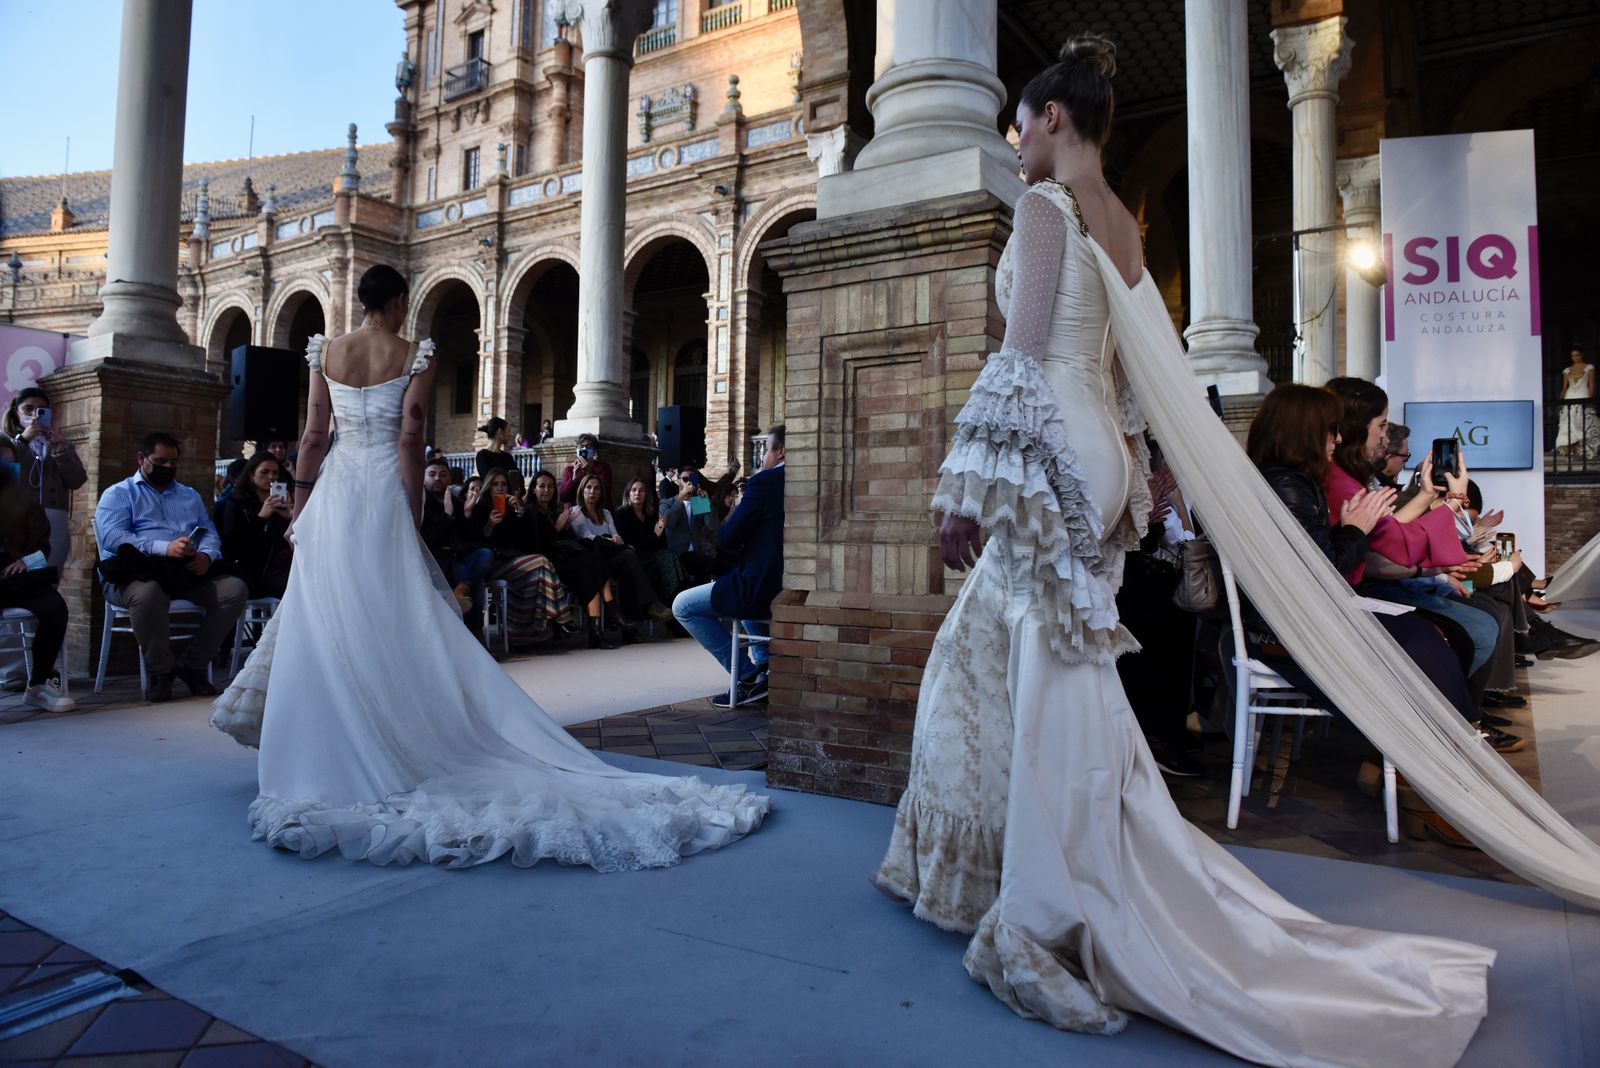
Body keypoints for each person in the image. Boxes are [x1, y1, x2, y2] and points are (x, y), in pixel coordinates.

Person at [871, 38, 1496, 1065]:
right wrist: (1136, 475)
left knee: (1048, 671)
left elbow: (1023, 348)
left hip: (1053, 448)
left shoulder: (1039, 210)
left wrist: (970, 486)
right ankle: (1055, 864)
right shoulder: (1121, 223)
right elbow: (1126, 378)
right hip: (1101, 453)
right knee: (1052, 668)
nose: (1014, 138)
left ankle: (1040, 911)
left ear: (1054, 120)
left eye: (1020, 122)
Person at [209, 263, 768, 869]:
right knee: (394, 613)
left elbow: (313, 437)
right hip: (381, 495)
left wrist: (304, 505)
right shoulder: (412, 355)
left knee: (328, 617)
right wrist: (412, 510)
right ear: (397, 301)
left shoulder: (327, 353)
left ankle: (328, 743)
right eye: (404, 304)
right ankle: (399, 732)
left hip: (336, 493)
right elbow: (407, 441)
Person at [95, 432, 249, 702]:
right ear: (142, 459)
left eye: (173, 462)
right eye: (160, 461)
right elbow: (112, 536)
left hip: (182, 571)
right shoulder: (119, 493)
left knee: (234, 589)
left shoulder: (189, 495)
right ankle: (160, 672)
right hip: (135, 572)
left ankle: (193, 665)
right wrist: (163, 547)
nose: (168, 467)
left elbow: (208, 531)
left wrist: (206, 555)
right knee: (149, 594)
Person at [672, 424, 785, 708]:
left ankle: (749, 677)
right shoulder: (669, 503)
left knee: (683, 606)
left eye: (692, 479)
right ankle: (763, 669)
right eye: (685, 479)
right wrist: (679, 501)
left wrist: (716, 506)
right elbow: (672, 528)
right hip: (691, 555)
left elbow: (718, 534)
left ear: (779, 451)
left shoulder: (712, 502)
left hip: (742, 569)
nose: (689, 483)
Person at [0, 439, 75, 712]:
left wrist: (25, 561)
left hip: (18, 577)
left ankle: (39, 685)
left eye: (9, 463)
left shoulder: (28, 505)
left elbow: (42, 547)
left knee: (54, 607)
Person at [469, 468, 575, 646]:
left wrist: (519, 512)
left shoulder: (512, 508)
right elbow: (477, 540)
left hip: (514, 560)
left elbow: (525, 540)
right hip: (493, 562)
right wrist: (490, 525)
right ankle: (562, 618)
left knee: (540, 570)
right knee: (541, 561)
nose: (500, 488)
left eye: (503, 484)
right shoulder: (480, 508)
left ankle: (530, 634)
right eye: (496, 484)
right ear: (488, 486)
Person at [566, 473, 671, 631]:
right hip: (593, 561)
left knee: (629, 567)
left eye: (596, 488)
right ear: (582, 491)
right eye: (589, 487)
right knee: (629, 556)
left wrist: (613, 539)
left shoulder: (606, 513)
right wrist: (611, 540)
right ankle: (651, 606)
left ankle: (632, 626)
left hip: (612, 558)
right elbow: (588, 538)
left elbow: (617, 536)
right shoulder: (576, 513)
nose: (592, 491)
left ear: (601, 493)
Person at [4, 385, 88, 570]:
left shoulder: (58, 442)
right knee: (16, 574)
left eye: (42, 409)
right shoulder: (8, 442)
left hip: (55, 517)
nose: (35, 414)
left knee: (48, 573)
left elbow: (77, 480)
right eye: (28, 408)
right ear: (15, 412)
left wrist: (61, 453)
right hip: (18, 518)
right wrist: (23, 441)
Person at [213, 453, 293, 599]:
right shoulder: (235, 505)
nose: (271, 477)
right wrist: (261, 518)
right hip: (249, 572)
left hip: (279, 567)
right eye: (265, 472)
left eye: (275, 472)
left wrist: (291, 517)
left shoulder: (280, 506)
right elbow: (233, 546)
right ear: (251, 475)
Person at [421, 456, 490, 625]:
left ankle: (461, 589)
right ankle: (475, 631)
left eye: (443, 474)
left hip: (459, 558)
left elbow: (472, 538)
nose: (437, 478)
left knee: (485, 554)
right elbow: (426, 538)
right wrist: (446, 515)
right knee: (477, 583)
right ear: (424, 478)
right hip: (437, 562)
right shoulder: (420, 504)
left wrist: (467, 514)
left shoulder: (457, 502)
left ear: (449, 479)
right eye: (432, 474)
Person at [614, 477, 688, 607]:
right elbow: (632, 544)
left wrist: (703, 499)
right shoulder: (666, 503)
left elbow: (710, 524)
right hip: (645, 555)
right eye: (634, 490)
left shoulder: (699, 501)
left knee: (676, 560)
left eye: (641, 490)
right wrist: (679, 500)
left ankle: (678, 605)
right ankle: (672, 606)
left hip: (675, 550)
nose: (637, 493)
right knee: (668, 561)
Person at [1554, 344, 1598, 459]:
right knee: (1569, 421)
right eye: (1572, 355)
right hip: (1569, 396)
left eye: (1577, 355)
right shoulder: (1567, 370)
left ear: (1581, 355)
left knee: (1582, 420)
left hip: (1582, 394)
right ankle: (1572, 448)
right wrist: (1561, 400)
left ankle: (1583, 448)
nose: (1575, 357)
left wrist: (1590, 398)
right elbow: (1564, 387)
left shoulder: (1589, 367)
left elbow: (1591, 385)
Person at [558, 433, 613, 506]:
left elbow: (605, 492)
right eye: (581, 446)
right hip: (577, 509)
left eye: (588, 447)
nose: (584, 450)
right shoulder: (570, 470)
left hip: (598, 508)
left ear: (594, 451)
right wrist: (573, 480)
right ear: (576, 449)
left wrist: (589, 471)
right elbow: (564, 497)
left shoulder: (604, 468)